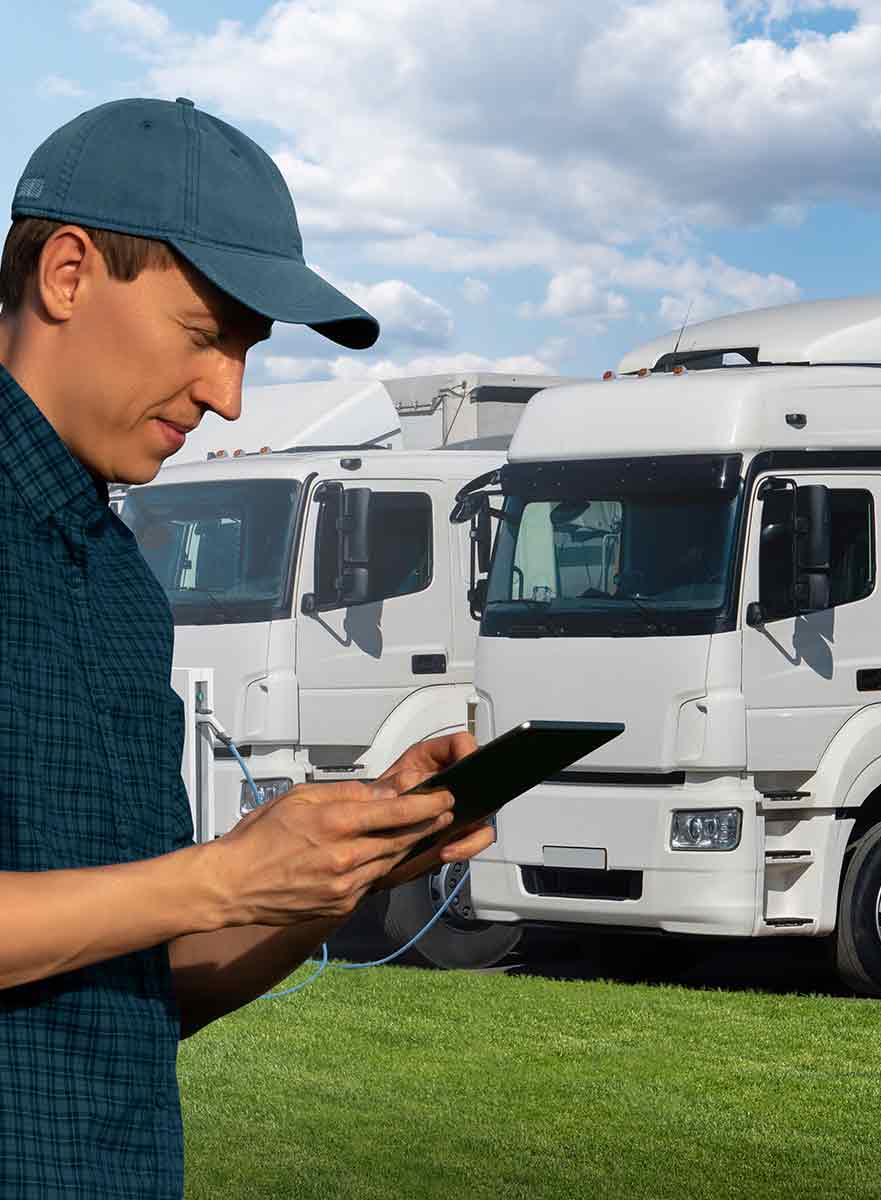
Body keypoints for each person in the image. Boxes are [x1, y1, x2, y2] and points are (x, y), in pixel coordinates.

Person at [0, 97, 494, 1199]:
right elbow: (190, 892)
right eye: (205, 333)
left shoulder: (120, 581)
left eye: (247, 351)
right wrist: (221, 874)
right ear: (67, 274)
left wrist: (331, 876)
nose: (228, 394)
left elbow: (146, 987)